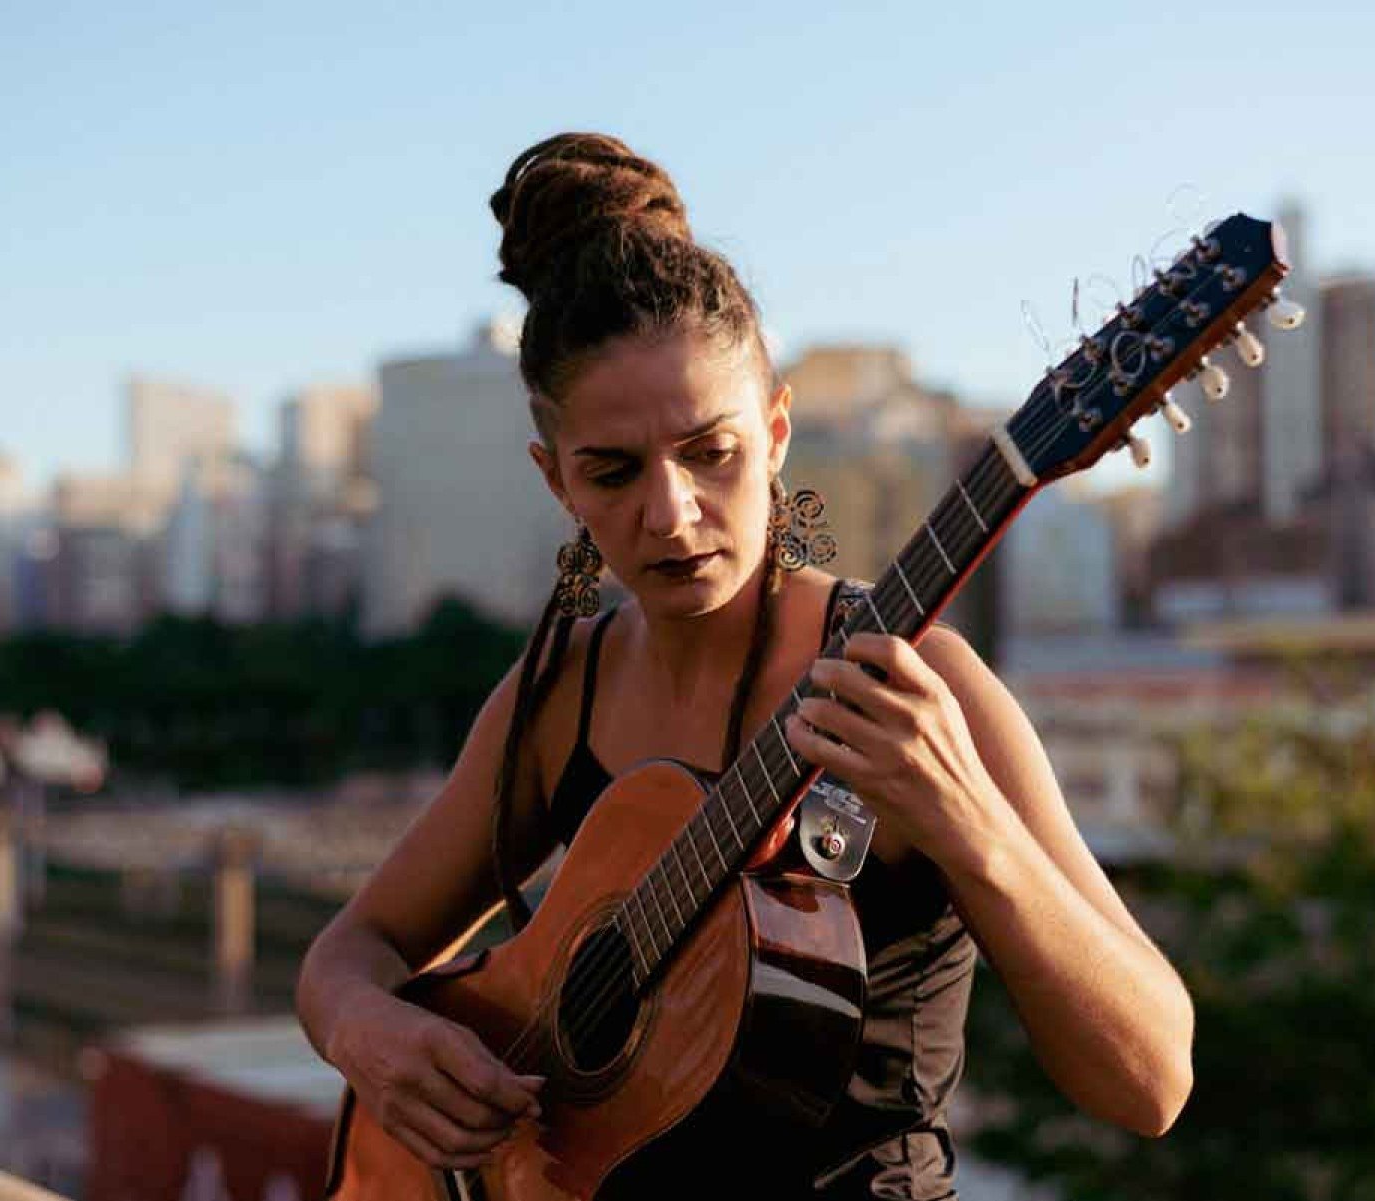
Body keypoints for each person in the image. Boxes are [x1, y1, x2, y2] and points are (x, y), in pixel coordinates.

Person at [295, 132, 1194, 1199]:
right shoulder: (559, 695)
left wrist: (969, 823)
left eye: (709, 452)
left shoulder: (918, 686)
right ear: (556, 482)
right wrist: (372, 1036)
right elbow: (346, 956)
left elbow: (1151, 1081)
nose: (670, 514)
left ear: (773, 435)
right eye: (613, 471)